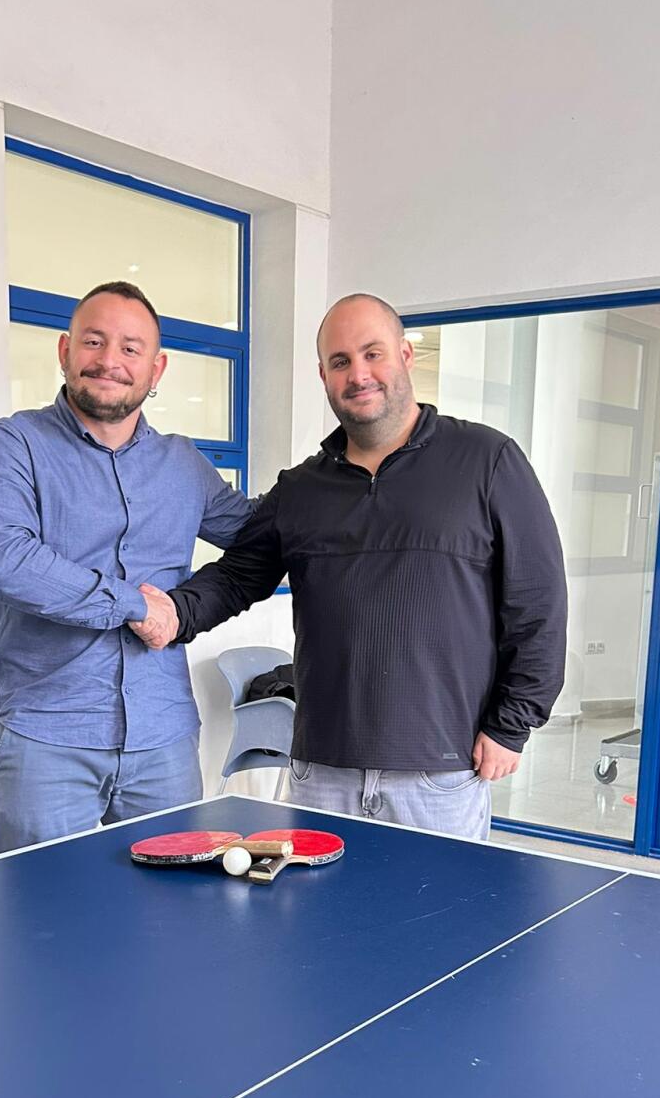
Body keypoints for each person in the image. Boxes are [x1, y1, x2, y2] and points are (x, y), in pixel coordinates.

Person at [131, 293, 567, 841]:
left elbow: (538, 604)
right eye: (340, 362)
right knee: (323, 929)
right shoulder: (301, 488)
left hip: (440, 772)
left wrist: (512, 724)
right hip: (320, 772)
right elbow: (240, 574)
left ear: (406, 355)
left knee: (438, 929)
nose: (358, 374)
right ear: (323, 375)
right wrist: (174, 611)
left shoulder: (488, 461)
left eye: (373, 354)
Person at [0, 281, 251, 851]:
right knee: (43, 918)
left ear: (156, 367)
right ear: (65, 350)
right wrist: (137, 604)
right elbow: (3, 557)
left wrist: (343, 469)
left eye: (130, 348)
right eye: (94, 342)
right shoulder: (11, 445)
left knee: (172, 917)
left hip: (164, 739)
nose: (110, 361)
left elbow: (258, 534)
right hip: (48, 737)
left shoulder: (183, 463)